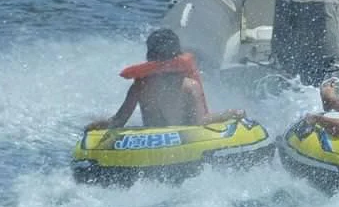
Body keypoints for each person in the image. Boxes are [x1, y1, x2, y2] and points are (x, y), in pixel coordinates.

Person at [84, 29, 245, 131]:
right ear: (178, 56)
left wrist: (96, 125)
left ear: (149, 57)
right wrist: (229, 114)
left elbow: (118, 121)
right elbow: (201, 121)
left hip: (150, 144)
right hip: (183, 145)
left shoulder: (140, 86)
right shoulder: (190, 86)